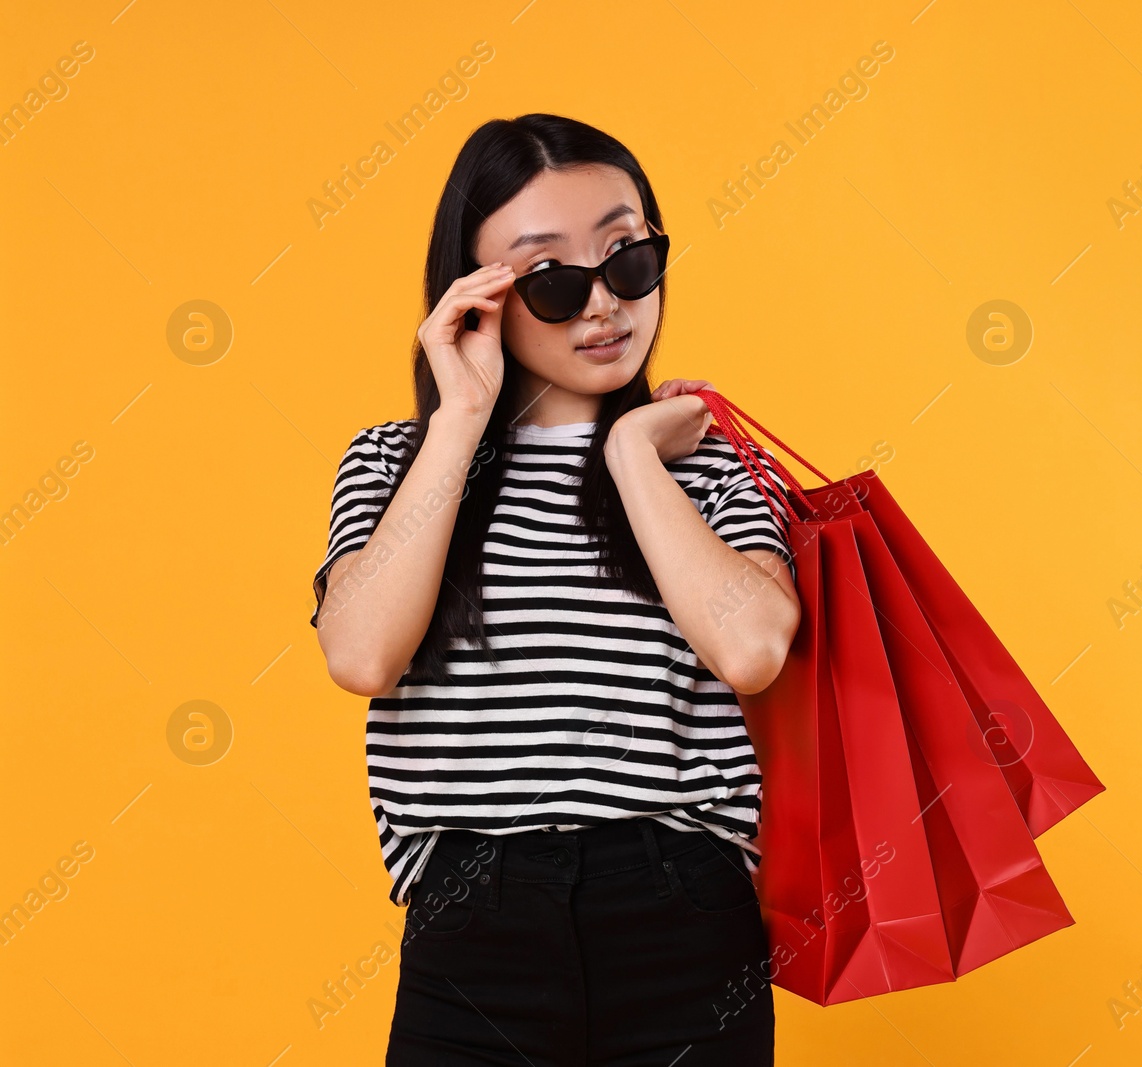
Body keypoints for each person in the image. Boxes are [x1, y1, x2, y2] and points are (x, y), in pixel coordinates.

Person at [309, 112, 800, 1066]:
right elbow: (362, 654)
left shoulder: (705, 470)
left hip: (681, 908)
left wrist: (631, 453)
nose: (602, 306)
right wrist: (460, 417)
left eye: (626, 259)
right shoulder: (397, 461)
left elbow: (750, 650)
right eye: (553, 279)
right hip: (472, 915)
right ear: (475, 294)